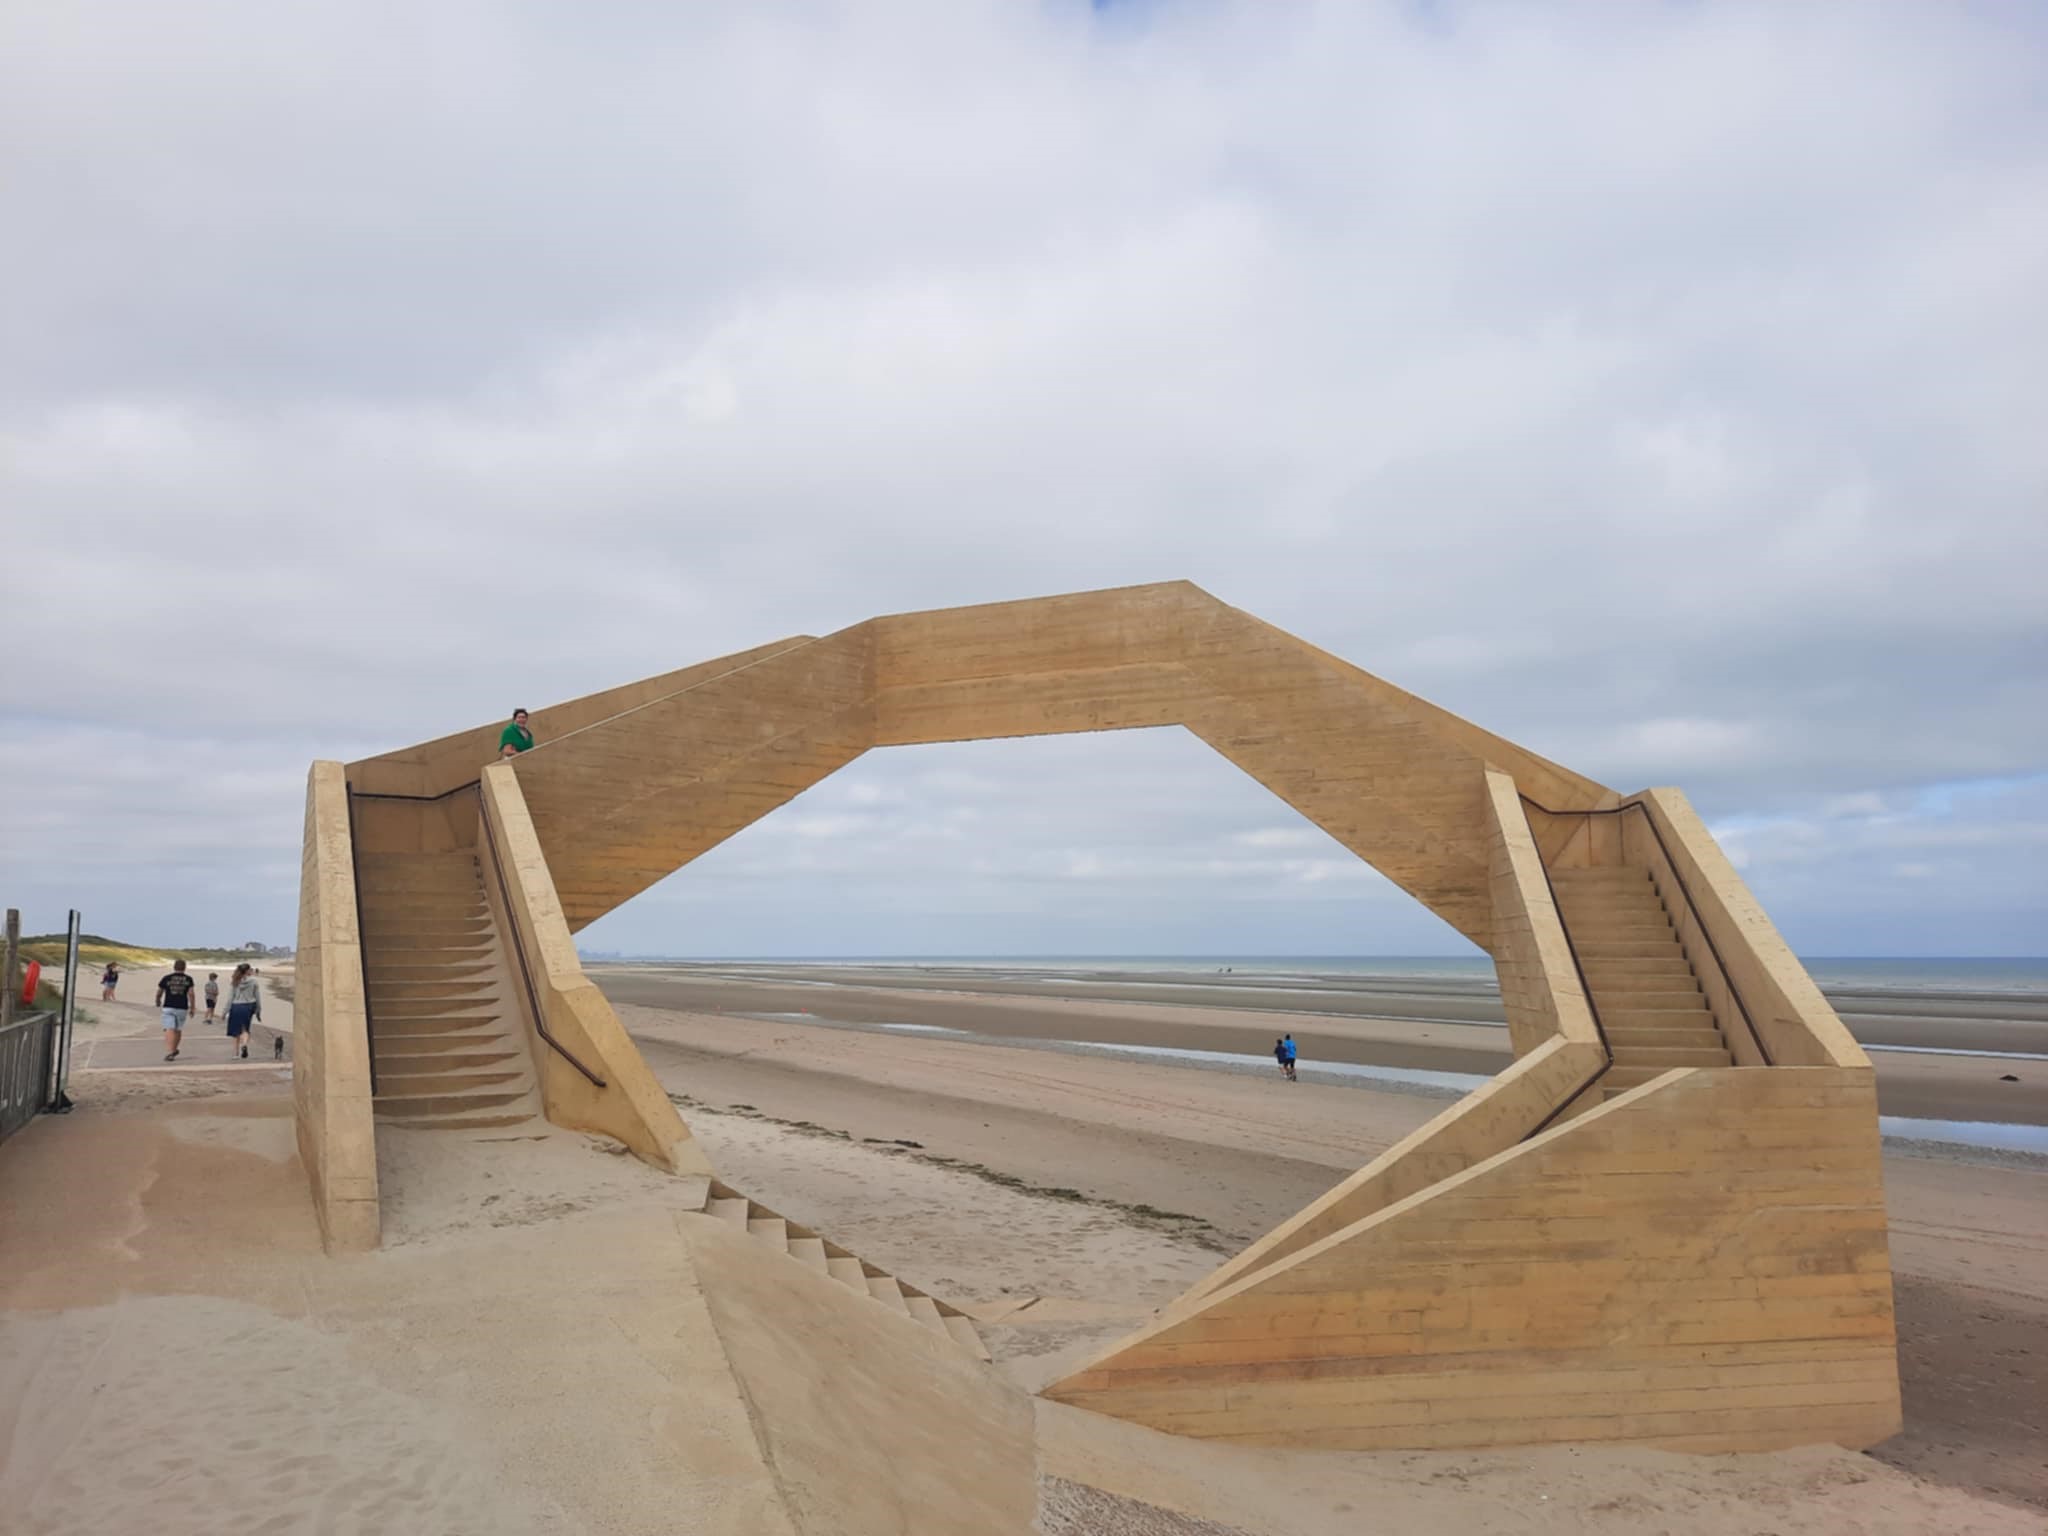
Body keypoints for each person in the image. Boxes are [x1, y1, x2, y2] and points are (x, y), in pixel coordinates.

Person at [157, 960, 196, 1060]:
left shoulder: (166, 978)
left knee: (169, 1028)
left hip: (168, 1005)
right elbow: (191, 994)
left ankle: (170, 1051)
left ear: (174, 967)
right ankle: (174, 1049)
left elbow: (160, 991)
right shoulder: (189, 979)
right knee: (178, 1029)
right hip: (182, 1007)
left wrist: (157, 1000)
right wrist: (192, 1007)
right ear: (184, 967)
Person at [226, 963, 263, 1060]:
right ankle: (245, 1044)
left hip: (236, 1006)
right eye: (250, 969)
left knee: (235, 1031)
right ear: (247, 971)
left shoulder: (235, 981)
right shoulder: (254, 982)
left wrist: (225, 1011)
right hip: (249, 1006)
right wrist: (258, 1010)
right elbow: (257, 997)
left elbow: (230, 998)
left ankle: (235, 1054)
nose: (251, 970)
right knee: (245, 1029)